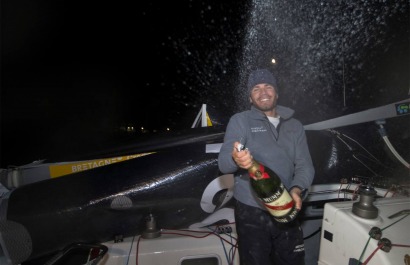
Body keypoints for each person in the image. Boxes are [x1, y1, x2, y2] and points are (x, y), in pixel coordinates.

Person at [218, 68, 315, 265]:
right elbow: (223, 164)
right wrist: (236, 159)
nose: (263, 92)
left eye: (268, 87)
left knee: (293, 261)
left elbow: (306, 166)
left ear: (276, 93)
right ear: (250, 98)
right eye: (256, 89)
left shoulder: (295, 125)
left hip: (286, 205)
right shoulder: (240, 121)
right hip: (251, 211)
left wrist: (297, 190)